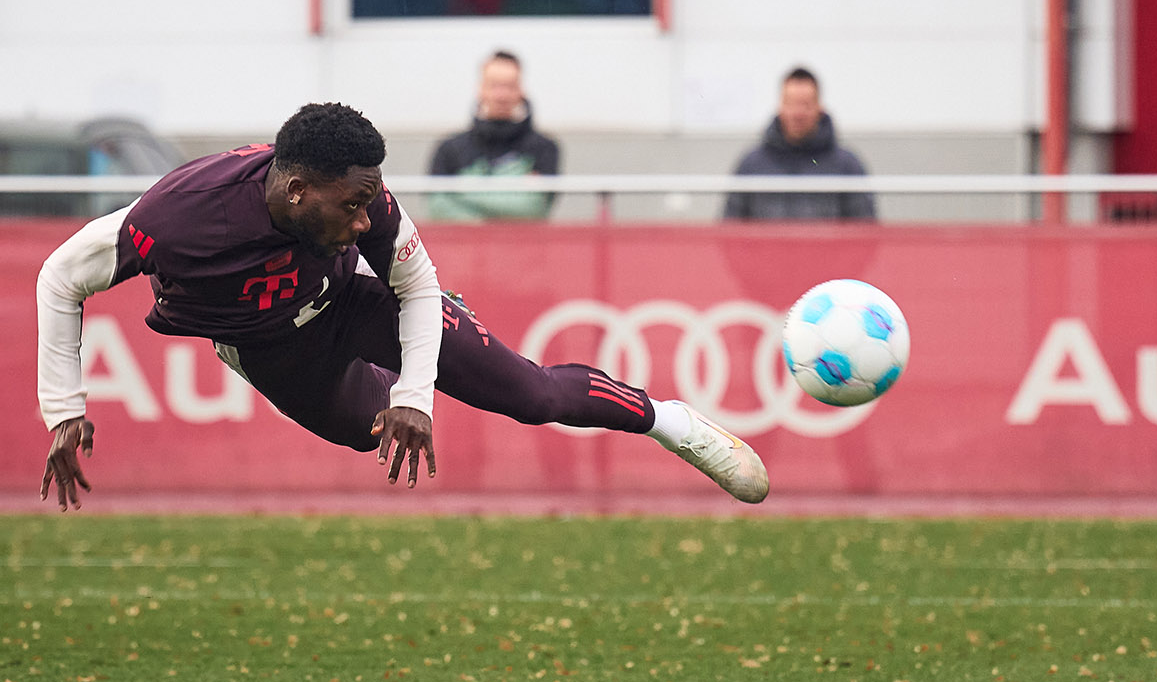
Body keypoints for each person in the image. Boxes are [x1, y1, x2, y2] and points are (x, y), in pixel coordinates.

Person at [37, 103, 767, 509]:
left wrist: (420, 392)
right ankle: (410, 379)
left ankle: (670, 422)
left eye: (370, 202)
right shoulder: (177, 217)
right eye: (352, 206)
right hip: (269, 349)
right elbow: (60, 277)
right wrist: (65, 407)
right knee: (366, 434)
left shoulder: (369, 203)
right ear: (298, 193)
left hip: (358, 302)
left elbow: (414, 285)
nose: (367, 221)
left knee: (529, 394)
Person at [722, 67, 877, 221]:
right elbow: (730, 230)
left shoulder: (847, 166)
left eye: (806, 104)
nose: (798, 113)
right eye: (791, 104)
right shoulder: (751, 166)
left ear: (819, 108)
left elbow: (865, 231)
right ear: (780, 107)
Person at [428, 51, 561, 220]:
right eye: (494, 85)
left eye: (509, 86)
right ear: (480, 89)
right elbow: (438, 208)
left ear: (521, 89)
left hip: (524, 246)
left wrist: (460, 189)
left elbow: (533, 208)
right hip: (465, 246)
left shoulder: (544, 149)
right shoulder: (449, 149)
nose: (502, 95)